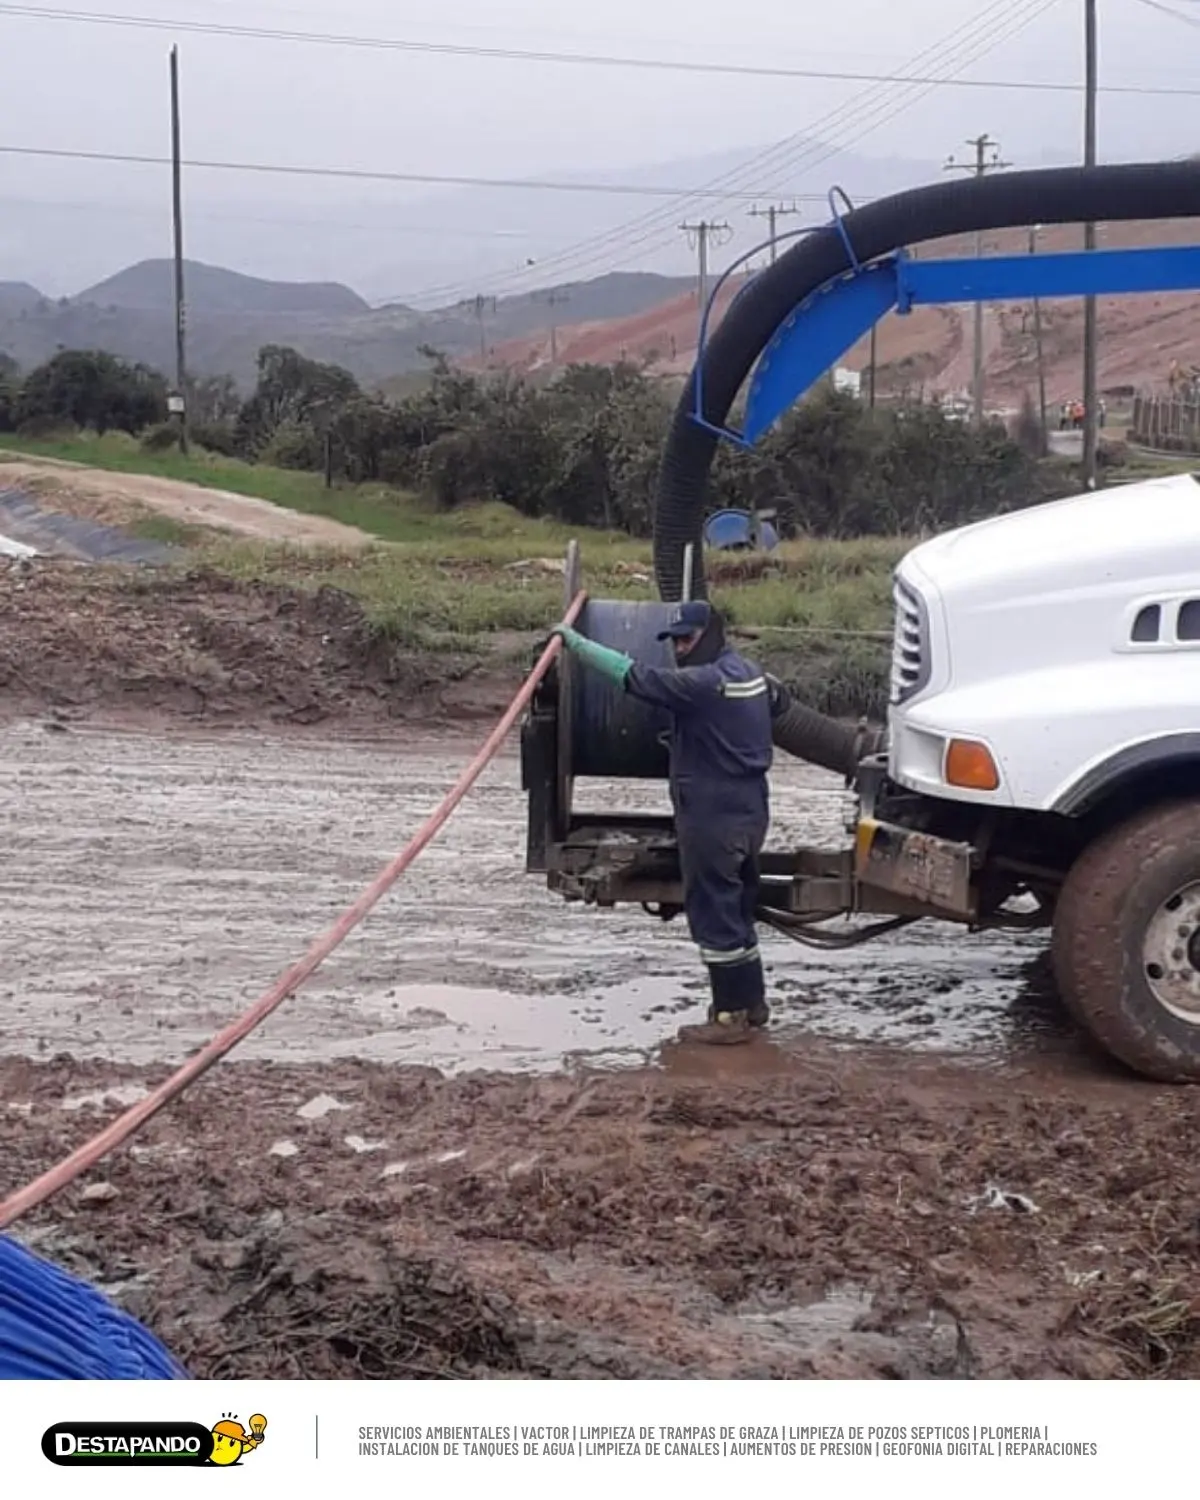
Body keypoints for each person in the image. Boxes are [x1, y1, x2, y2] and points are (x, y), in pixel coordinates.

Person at [550, 600, 775, 1045]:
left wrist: (575, 644)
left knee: (713, 915)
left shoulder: (702, 683)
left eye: (687, 639)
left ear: (710, 635)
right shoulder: (749, 674)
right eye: (674, 641)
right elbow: (779, 703)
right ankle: (752, 1005)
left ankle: (729, 1019)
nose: (679, 649)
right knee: (737, 909)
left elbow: (634, 677)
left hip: (712, 815)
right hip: (751, 810)